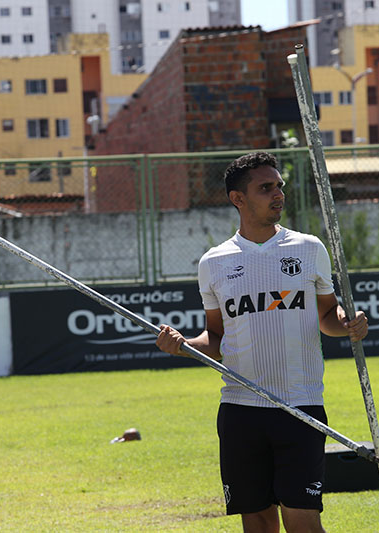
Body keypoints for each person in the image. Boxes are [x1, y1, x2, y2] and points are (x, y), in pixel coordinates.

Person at [155, 152, 368, 533]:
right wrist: (185, 345)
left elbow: (327, 317)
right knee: (257, 523)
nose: (278, 194)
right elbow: (216, 339)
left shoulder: (307, 248)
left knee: (302, 521)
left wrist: (347, 325)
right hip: (240, 409)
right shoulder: (214, 262)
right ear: (238, 199)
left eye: (279, 186)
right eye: (265, 187)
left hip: (300, 404)